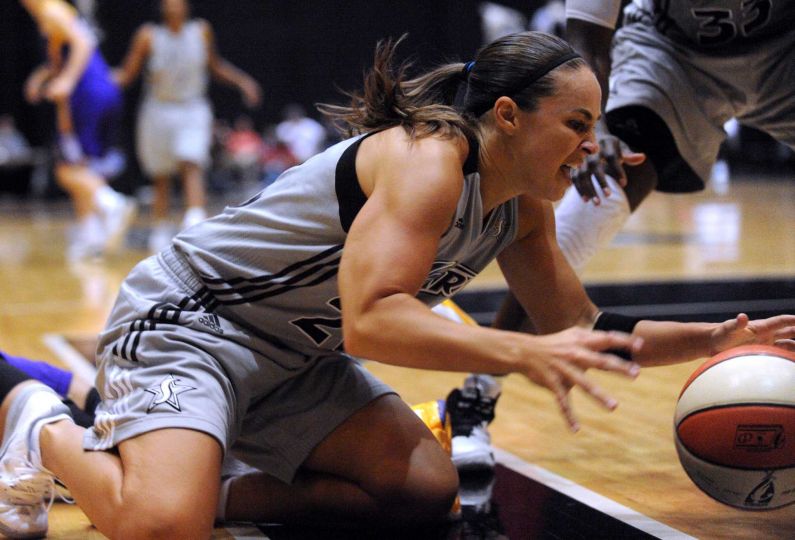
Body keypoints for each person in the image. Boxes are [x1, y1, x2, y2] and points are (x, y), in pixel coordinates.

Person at [1, 30, 794, 538]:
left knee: (420, 490)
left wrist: (713, 341)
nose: (594, 147)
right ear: (508, 116)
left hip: (292, 361)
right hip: (192, 325)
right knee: (162, 530)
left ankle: (202, 475)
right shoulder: (428, 162)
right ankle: (43, 429)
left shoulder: (521, 208)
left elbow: (580, 327)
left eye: (597, 127)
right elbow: (372, 323)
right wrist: (519, 352)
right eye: (577, 124)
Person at [448, 0, 795, 470]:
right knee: (593, 200)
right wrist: (600, 130)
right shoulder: (430, 173)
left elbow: (583, 322)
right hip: (675, 55)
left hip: (783, 49)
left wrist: (712, 339)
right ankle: (477, 395)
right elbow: (587, 41)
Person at [113, 0, 262, 254]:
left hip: (192, 107)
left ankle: (195, 222)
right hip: (159, 109)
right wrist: (92, 83)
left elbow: (215, 66)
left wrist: (242, 81)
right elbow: (127, 74)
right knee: (160, 173)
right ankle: (160, 229)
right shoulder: (148, 35)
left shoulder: (201, 31)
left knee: (191, 162)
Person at [21, 0, 137, 261]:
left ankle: (112, 203)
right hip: (99, 91)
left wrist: (66, 82)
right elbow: (60, 61)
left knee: (66, 170)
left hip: (88, 93)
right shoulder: (52, 14)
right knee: (82, 166)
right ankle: (92, 238)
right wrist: (42, 79)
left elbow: (83, 44)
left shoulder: (52, 10)